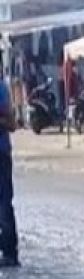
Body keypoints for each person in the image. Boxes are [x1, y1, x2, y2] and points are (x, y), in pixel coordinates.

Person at [0, 65, 18, 268]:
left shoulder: (1, 88)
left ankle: (10, 253)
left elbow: (11, 123)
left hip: (1, 153)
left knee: (4, 204)